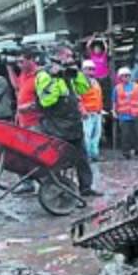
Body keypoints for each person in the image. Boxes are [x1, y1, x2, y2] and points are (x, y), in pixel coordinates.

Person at [35, 46, 101, 196]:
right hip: (55, 125)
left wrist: (74, 71)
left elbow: (85, 88)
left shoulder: (69, 73)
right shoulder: (44, 74)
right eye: (68, 56)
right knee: (56, 160)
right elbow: (46, 101)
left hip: (73, 124)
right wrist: (56, 78)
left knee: (82, 158)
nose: (70, 58)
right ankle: (58, 189)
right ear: (57, 57)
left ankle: (86, 187)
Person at [112, 67, 138, 159]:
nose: (125, 78)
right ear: (120, 77)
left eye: (127, 76)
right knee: (125, 135)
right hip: (124, 115)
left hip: (135, 114)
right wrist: (114, 111)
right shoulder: (117, 88)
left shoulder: (136, 86)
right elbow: (114, 101)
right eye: (123, 76)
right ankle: (126, 152)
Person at [80, 60, 105, 161]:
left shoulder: (95, 82)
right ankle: (87, 156)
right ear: (83, 70)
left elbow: (98, 97)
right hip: (87, 113)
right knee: (87, 136)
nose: (91, 71)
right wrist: (83, 111)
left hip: (97, 112)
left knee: (96, 135)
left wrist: (100, 110)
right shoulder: (80, 83)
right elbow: (79, 98)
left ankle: (95, 154)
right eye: (89, 69)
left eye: (93, 69)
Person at [11, 50, 42, 130]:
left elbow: (46, 100)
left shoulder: (40, 75)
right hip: (24, 121)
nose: (19, 65)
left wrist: (28, 107)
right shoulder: (24, 74)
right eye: (17, 62)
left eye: (22, 62)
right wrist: (9, 68)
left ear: (31, 60)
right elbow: (17, 86)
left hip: (36, 122)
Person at [87, 38, 111, 111]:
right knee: (96, 92)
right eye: (95, 49)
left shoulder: (103, 56)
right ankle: (97, 106)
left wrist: (103, 40)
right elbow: (88, 46)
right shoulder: (92, 56)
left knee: (104, 93)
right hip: (95, 78)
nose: (97, 50)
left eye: (98, 49)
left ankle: (105, 108)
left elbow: (106, 48)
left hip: (104, 77)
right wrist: (92, 38)